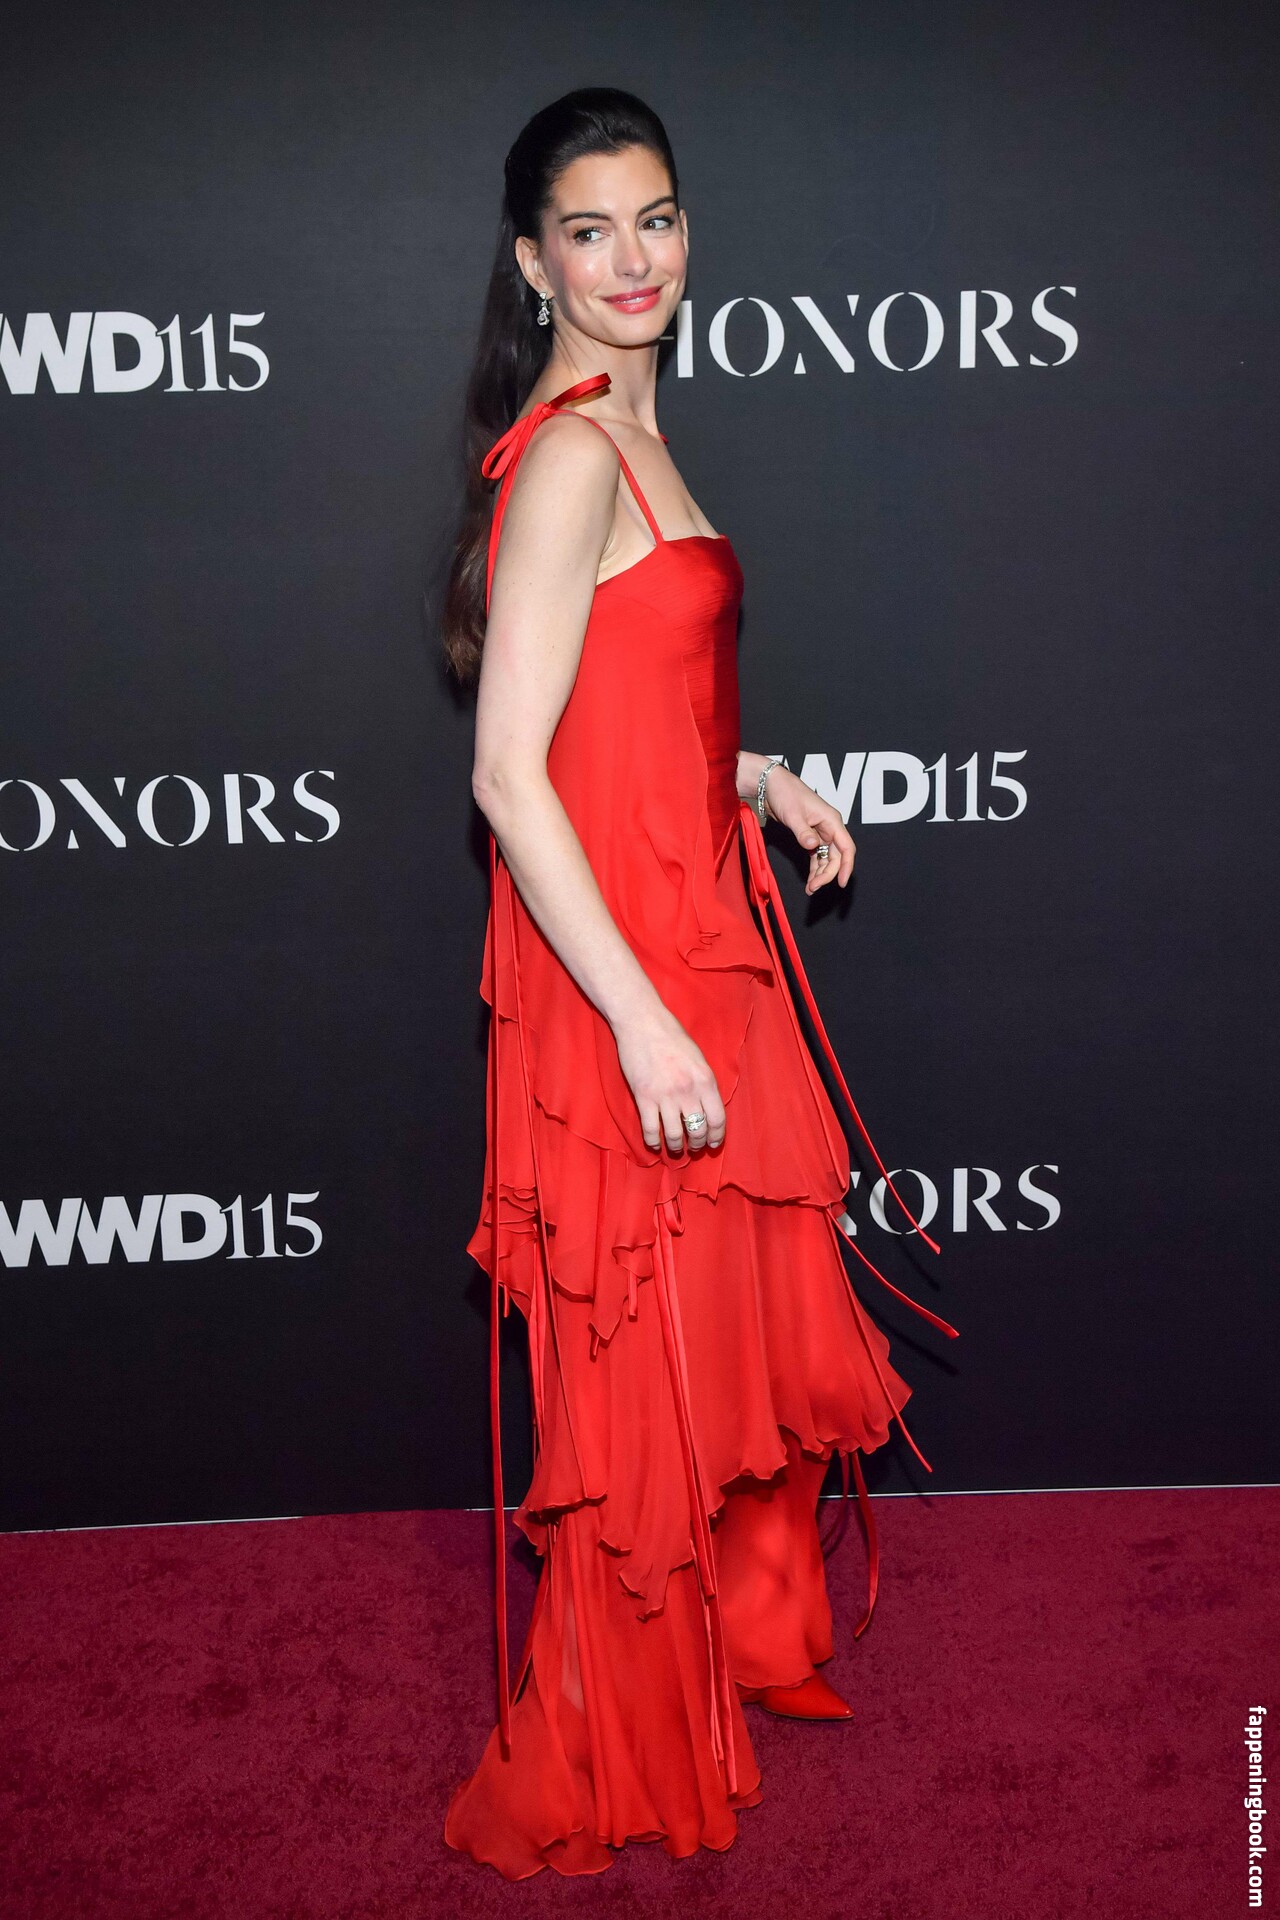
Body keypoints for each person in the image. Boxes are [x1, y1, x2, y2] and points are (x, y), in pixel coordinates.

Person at [439, 87, 956, 1882]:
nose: (631, 259)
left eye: (654, 219)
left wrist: (750, 772)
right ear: (533, 263)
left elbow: (619, 697)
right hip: (628, 981)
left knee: (736, 1331)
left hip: (697, 921)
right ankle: (614, 1734)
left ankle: (739, 1640)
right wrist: (642, 1021)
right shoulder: (574, 453)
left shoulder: (640, 434)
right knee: (643, 1379)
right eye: (588, 232)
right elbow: (509, 776)